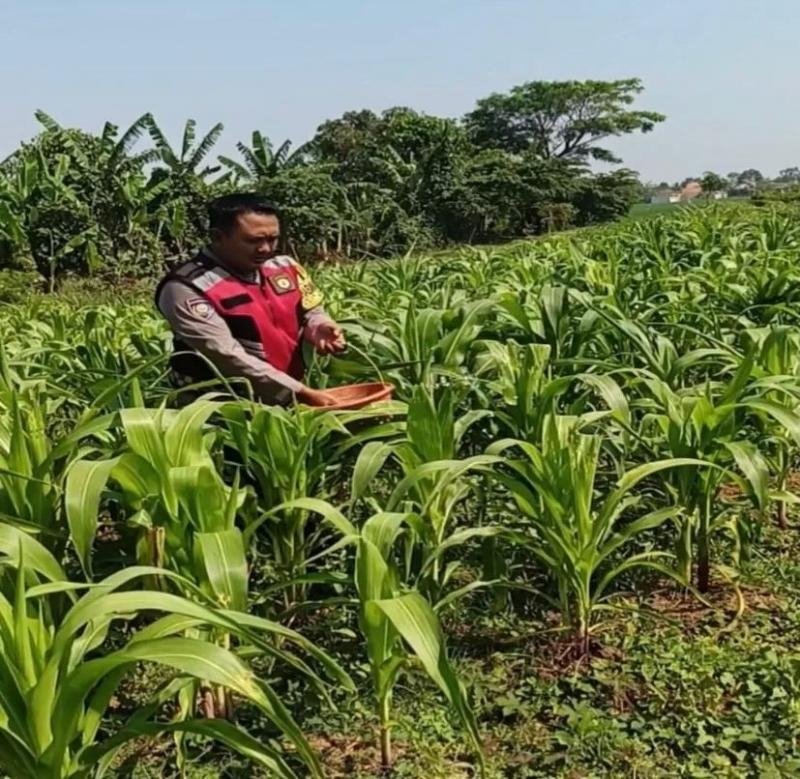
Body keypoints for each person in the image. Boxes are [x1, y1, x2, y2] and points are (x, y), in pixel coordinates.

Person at [155, 193, 345, 406]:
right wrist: (299, 392)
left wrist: (318, 325)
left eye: (272, 239)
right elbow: (225, 355)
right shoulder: (186, 287)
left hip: (290, 394)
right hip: (221, 406)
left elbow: (311, 309)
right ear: (218, 237)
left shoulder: (285, 267)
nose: (265, 248)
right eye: (253, 240)